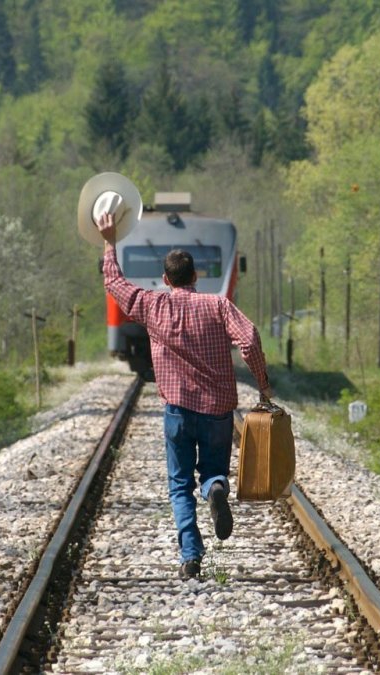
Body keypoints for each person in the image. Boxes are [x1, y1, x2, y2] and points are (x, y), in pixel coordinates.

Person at [96, 210, 274, 580]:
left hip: (177, 410)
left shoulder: (151, 304)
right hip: (217, 410)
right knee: (212, 471)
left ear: (165, 279)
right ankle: (216, 489)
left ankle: (191, 558)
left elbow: (114, 283)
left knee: (179, 487)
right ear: (195, 277)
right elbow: (250, 339)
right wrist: (263, 385)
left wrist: (109, 241)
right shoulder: (218, 306)